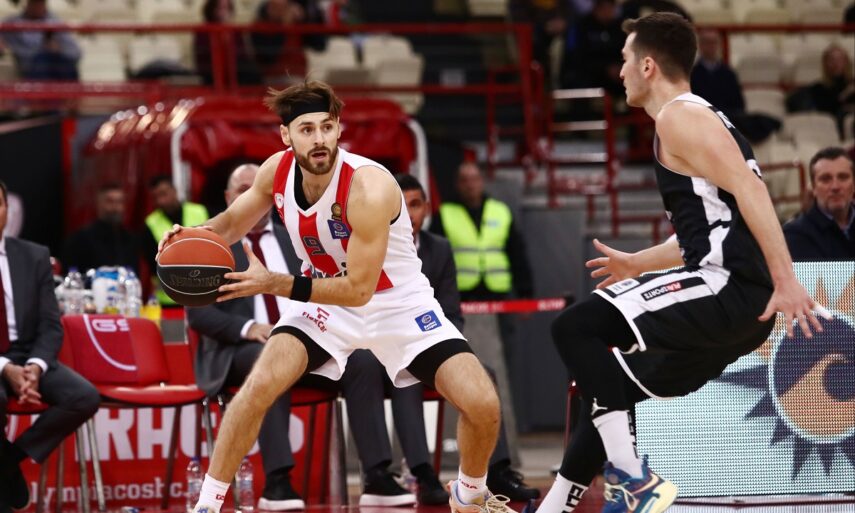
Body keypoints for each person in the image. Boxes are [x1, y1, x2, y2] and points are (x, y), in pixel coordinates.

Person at [159, 81, 512, 513]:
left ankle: (469, 496)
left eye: (327, 127)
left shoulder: (369, 187)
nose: (319, 139)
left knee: (482, 402)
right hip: (323, 303)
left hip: (397, 304)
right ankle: (208, 505)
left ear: (339, 129)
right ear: (286, 135)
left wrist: (272, 283)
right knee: (258, 386)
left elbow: (359, 290)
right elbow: (231, 224)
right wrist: (188, 237)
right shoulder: (275, 172)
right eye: (306, 129)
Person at [537, 13, 825, 512]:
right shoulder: (693, 119)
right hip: (740, 305)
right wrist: (638, 263)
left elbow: (753, 192)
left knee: (574, 328)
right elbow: (714, 225)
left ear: (648, 66)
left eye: (625, 59)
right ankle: (557, 506)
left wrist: (786, 279)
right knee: (608, 388)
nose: (620, 71)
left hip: (727, 287)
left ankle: (632, 477)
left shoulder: (679, 116)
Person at [187, 164, 416, 508]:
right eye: (243, 190)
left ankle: (377, 475)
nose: (252, 198)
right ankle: (278, 482)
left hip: (307, 337)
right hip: (239, 350)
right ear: (230, 198)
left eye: (256, 190)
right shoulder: (214, 248)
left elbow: (326, 285)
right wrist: (250, 329)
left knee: (362, 362)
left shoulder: (293, 236)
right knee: (270, 358)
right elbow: (199, 314)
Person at [391, 173, 540, 502]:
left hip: (430, 344)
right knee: (405, 378)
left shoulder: (440, 248)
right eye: (401, 206)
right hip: (388, 349)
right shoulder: (374, 248)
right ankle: (423, 475)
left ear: (426, 208)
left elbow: (451, 311)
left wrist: (442, 347)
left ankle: (496, 471)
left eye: (415, 205)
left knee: (485, 373)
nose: (409, 214)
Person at [0, 180, 101, 511]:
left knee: (83, 396)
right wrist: (5, 368)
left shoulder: (34, 255)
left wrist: (35, 366)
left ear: (7, 210)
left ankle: (7, 461)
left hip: (30, 353)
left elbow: (50, 324)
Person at [144, 175, 210, 305]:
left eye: (164, 194)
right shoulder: (150, 223)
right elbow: (154, 264)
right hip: (169, 299)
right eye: (156, 197)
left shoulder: (200, 211)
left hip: (203, 293)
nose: (161, 201)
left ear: (174, 190)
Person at [784, 147, 855, 261]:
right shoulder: (795, 234)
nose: (835, 186)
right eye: (826, 179)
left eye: (843, 177)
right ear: (813, 188)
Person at [62, 183, 140, 274]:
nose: (115, 207)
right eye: (110, 201)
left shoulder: (130, 240)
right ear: (99, 204)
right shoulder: (80, 240)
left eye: (119, 202)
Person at [0, 0, 80, 80]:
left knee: (65, 64)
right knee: (41, 61)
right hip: (30, 64)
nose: (37, 6)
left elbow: (75, 52)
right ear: (28, 4)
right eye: (34, 3)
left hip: (55, 63)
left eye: (40, 3)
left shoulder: (55, 22)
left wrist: (59, 49)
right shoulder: (13, 22)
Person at [193, 0, 262, 85]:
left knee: (253, 71)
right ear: (212, 9)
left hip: (236, 71)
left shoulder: (235, 30)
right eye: (220, 8)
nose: (224, 12)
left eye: (227, 8)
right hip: (212, 71)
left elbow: (242, 53)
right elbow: (203, 57)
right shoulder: (203, 31)